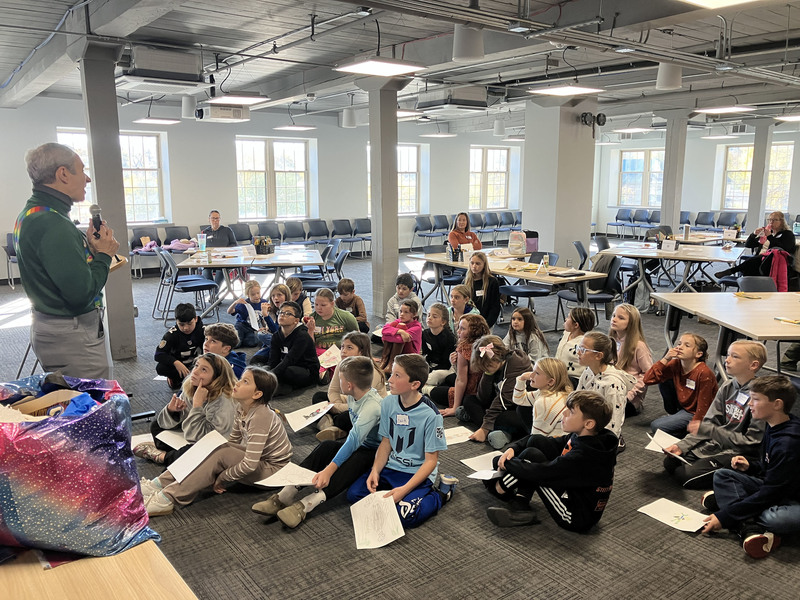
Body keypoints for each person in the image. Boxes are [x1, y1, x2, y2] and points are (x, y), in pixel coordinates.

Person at [15, 142, 120, 379]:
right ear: (63, 174)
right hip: (71, 333)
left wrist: (90, 251)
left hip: (54, 326)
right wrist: (103, 255)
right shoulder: (52, 223)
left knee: (71, 404)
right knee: (92, 409)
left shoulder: (34, 211)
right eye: (82, 170)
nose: (88, 179)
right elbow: (80, 293)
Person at [252, 356, 383, 528]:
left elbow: (353, 441)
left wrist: (328, 470)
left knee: (353, 462)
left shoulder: (372, 406)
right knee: (326, 447)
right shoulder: (354, 395)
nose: (339, 381)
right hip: (363, 444)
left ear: (349, 385)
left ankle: (306, 505)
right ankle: (285, 495)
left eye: (341, 379)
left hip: (378, 452)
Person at [142, 367, 292, 516]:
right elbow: (233, 440)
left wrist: (223, 476)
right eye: (241, 379)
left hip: (273, 471)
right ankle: (160, 483)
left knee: (221, 453)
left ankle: (167, 499)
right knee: (212, 443)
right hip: (260, 460)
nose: (238, 383)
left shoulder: (261, 416)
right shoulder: (242, 407)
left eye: (245, 382)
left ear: (257, 394)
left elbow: (250, 464)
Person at [347, 354, 457, 529]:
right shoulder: (389, 403)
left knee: (406, 516)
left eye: (397, 375)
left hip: (416, 473)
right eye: (392, 373)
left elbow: (431, 461)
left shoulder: (431, 415)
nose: (389, 379)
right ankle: (394, 497)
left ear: (415, 385)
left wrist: (404, 490)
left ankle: (441, 494)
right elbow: (386, 442)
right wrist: (376, 470)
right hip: (392, 468)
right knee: (354, 495)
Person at [483, 390, 617, 532]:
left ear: (589, 424)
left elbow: (542, 472)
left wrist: (506, 463)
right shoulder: (585, 436)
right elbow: (538, 440)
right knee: (536, 442)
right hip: (571, 491)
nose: (564, 414)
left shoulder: (584, 455)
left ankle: (501, 489)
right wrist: (513, 450)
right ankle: (519, 503)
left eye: (571, 412)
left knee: (531, 461)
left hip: (573, 516)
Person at [701, 376, 800, 559]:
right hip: (781, 488)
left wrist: (725, 516)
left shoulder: (788, 443)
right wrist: (751, 467)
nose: (750, 404)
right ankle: (746, 518)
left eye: (756, 399)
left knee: (774, 519)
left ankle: (737, 507)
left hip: (792, 497)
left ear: (777, 404)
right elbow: (768, 467)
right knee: (722, 475)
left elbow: (772, 493)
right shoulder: (774, 425)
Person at [662, 340, 767, 489]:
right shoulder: (727, 386)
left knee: (684, 476)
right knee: (671, 461)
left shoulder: (759, 397)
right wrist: (682, 445)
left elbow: (751, 443)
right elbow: (709, 423)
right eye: (728, 355)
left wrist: (712, 432)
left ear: (753, 365)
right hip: (717, 444)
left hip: (738, 452)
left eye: (735, 357)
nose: (727, 360)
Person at [134, 353, 237, 466]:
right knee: (156, 426)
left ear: (217, 378)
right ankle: (174, 456)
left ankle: (163, 457)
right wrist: (172, 411)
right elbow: (166, 422)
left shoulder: (224, 400)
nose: (195, 372)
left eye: (203, 370)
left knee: (195, 450)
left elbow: (209, 439)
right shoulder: (192, 386)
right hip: (193, 433)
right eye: (196, 366)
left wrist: (197, 406)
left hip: (217, 444)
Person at [457, 335, 532, 448]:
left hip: (520, 407)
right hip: (501, 403)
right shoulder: (493, 366)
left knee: (505, 418)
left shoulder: (516, 365)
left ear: (499, 358)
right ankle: (496, 429)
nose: (485, 369)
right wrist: (488, 374)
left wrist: (484, 428)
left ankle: (502, 432)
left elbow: (504, 400)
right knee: (469, 399)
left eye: (488, 366)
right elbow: (483, 398)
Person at [311, 331, 388, 441]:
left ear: (361, 352)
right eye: (342, 347)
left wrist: (335, 408)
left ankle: (329, 423)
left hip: (369, 408)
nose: (343, 351)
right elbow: (333, 390)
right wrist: (336, 404)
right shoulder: (342, 364)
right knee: (318, 397)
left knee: (345, 418)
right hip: (350, 400)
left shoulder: (371, 371)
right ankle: (333, 427)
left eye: (349, 348)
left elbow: (364, 403)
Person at [644, 333, 718, 437]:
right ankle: (676, 419)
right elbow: (648, 379)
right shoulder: (676, 364)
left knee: (656, 426)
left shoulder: (703, 373)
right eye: (679, 344)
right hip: (683, 406)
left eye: (687, 345)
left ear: (698, 354)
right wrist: (666, 358)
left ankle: (692, 431)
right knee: (663, 379)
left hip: (695, 412)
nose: (680, 347)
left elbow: (704, 404)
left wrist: (697, 424)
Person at [576, 332, 635, 449]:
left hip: (602, 435)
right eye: (579, 348)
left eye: (583, 350)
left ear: (598, 356)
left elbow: (614, 422)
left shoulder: (613, 384)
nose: (578, 352)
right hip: (588, 424)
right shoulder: (588, 371)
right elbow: (577, 400)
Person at [430, 313, 491, 416]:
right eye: (459, 328)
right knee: (449, 378)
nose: (458, 331)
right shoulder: (488, 343)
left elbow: (461, 380)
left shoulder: (464, 348)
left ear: (473, 332)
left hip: (473, 390)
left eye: (462, 329)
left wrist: (454, 407)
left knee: (435, 392)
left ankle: (425, 388)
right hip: (486, 388)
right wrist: (454, 363)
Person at [501, 357, 574, 443]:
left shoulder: (544, 402)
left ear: (550, 382)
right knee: (521, 409)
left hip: (557, 445)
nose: (531, 375)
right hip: (561, 441)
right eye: (533, 371)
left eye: (537, 373)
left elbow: (536, 438)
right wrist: (521, 379)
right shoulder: (554, 392)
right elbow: (519, 399)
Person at [715, 212, 796, 285]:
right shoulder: (766, 232)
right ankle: (745, 287)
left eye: (775, 220)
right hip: (760, 260)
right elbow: (748, 245)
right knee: (751, 265)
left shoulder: (787, 234)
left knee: (754, 261)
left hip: (774, 262)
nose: (771, 222)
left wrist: (770, 237)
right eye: (770, 220)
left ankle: (732, 271)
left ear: (781, 222)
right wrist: (753, 234)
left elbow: (784, 249)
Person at [265, 301, 320, 391]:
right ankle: (279, 384)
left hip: (306, 371)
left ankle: (284, 386)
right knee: (259, 362)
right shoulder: (276, 335)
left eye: (288, 314)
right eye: (281, 312)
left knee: (287, 371)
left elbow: (290, 359)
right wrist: (266, 373)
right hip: (288, 366)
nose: (282, 315)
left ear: (296, 320)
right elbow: (273, 359)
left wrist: (270, 376)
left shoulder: (302, 336)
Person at [609, 303, 653, 416]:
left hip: (629, 398)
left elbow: (649, 374)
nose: (614, 319)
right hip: (612, 389)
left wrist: (631, 394)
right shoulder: (611, 340)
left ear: (631, 323)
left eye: (621, 318)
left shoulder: (639, 346)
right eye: (614, 315)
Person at [154, 303, 205, 390]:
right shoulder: (171, 335)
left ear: (196, 319)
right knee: (161, 368)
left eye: (189, 323)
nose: (186, 328)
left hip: (197, 363)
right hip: (180, 365)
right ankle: (177, 379)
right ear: (176, 321)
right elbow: (158, 355)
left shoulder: (204, 331)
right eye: (181, 324)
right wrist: (175, 362)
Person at [249, 283, 290, 364]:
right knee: (255, 360)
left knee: (263, 336)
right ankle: (277, 352)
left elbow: (277, 331)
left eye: (279, 295)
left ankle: (280, 353)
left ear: (286, 296)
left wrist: (266, 316)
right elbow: (272, 328)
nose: (276, 298)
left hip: (286, 341)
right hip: (276, 342)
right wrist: (266, 328)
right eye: (273, 296)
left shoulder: (289, 310)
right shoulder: (274, 310)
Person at [379, 299, 423, 374]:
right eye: (400, 311)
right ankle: (385, 360)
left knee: (399, 328)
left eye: (406, 312)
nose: (402, 314)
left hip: (410, 355)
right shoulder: (399, 321)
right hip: (399, 352)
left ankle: (391, 363)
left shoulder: (417, 327)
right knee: (397, 329)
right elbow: (384, 330)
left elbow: (400, 340)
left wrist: (389, 335)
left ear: (414, 314)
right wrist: (400, 331)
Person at [555, 307, 595, 384]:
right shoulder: (567, 333)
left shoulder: (584, 343)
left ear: (576, 325)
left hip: (575, 379)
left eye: (568, 317)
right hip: (559, 372)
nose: (565, 319)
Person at [227, 280, 272, 348]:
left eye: (258, 293)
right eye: (253, 294)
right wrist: (235, 303)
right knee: (236, 344)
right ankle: (234, 336)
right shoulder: (244, 303)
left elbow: (263, 317)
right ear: (248, 294)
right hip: (241, 326)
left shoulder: (263, 302)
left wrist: (265, 327)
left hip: (251, 328)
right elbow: (229, 311)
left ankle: (240, 337)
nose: (256, 296)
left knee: (253, 343)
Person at [421, 303, 456, 385]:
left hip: (445, 368)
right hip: (431, 365)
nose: (429, 318)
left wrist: (431, 370)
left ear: (443, 322)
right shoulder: (425, 333)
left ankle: (425, 386)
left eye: (434, 316)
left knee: (435, 376)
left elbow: (446, 363)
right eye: (428, 315)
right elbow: (425, 353)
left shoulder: (449, 338)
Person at [463, 251, 501, 327]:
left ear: (484, 265)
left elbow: (495, 307)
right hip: (469, 322)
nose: (474, 266)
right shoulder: (466, 281)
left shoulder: (492, 282)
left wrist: (487, 324)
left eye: (478, 264)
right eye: (472, 263)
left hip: (485, 321)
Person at [201, 209, 237, 284]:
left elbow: (234, 244)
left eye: (217, 218)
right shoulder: (205, 232)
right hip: (209, 260)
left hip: (223, 260)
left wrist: (225, 251)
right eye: (213, 218)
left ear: (219, 219)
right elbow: (201, 246)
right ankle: (212, 291)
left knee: (221, 271)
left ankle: (215, 292)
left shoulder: (227, 230)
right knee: (206, 271)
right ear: (209, 219)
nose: (215, 220)